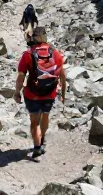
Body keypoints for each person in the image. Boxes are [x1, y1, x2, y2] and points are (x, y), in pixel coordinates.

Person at [14, 26, 67, 160]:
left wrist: (17, 92)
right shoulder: (56, 53)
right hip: (50, 93)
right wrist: (63, 94)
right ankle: (42, 139)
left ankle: (37, 147)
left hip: (32, 94)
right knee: (45, 115)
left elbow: (21, 76)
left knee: (34, 121)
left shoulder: (28, 54)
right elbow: (62, 76)